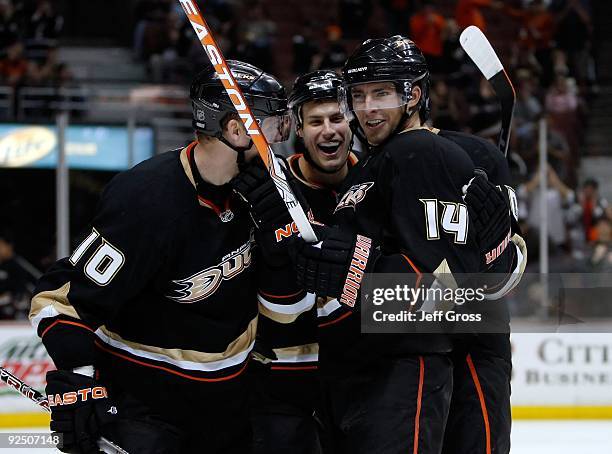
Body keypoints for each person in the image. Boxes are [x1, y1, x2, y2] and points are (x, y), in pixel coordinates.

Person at [29, 60, 292, 454]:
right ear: (237, 131)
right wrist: (80, 377)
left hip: (230, 407)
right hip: (146, 408)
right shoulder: (146, 200)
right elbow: (61, 300)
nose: (278, 138)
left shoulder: (267, 189)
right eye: (272, 126)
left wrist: (285, 238)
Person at [285, 36, 519, 454]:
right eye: (358, 96)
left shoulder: (426, 153)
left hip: (456, 363)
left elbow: (455, 294)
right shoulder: (377, 162)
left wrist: (359, 274)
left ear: (412, 95)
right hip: (377, 368)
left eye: (380, 93)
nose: (368, 108)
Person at [236, 70, 356, 454]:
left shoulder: (375, 184)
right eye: (316, 121)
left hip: (354, 381)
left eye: (337, 118)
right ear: (298, 130)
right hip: (279, 385)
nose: (329, 131)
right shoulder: (267, 187)